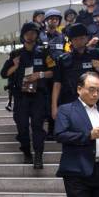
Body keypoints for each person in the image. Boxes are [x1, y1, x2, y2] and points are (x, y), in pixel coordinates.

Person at [1, 22, 56, 169]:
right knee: (22, 127)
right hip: (21, 97)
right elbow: (3, 74)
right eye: (27, 33)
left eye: (33, 33)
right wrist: (15, 65)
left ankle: (38, 156)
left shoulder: (44, 52)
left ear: (37, 35)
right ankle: (26, 152)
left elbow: (54, 72)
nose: (30, 36)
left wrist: (40, 74)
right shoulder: (15, 54)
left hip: (38, 96)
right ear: (23, 36)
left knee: (38, 127)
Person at [52, 23, 99, 120]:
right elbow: (57, 84)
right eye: (75, 39)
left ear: (86, 38)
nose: (78, 41)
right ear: (71, 41)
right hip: (71, 101)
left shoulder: (97, 54)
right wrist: (54, 106)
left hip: (95, 100)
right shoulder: (62, 59)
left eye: (81, 38)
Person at [40, 9, 67, 138]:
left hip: (60, 73)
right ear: (46, 21)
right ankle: (49, 129)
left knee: (59, 101)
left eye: (56, 19)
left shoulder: (63, 37)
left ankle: (57, 128)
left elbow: (68, 53)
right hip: (44, 75)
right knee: (46, 101)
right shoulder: (40, 36)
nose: (53, 21)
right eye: (50, 19)